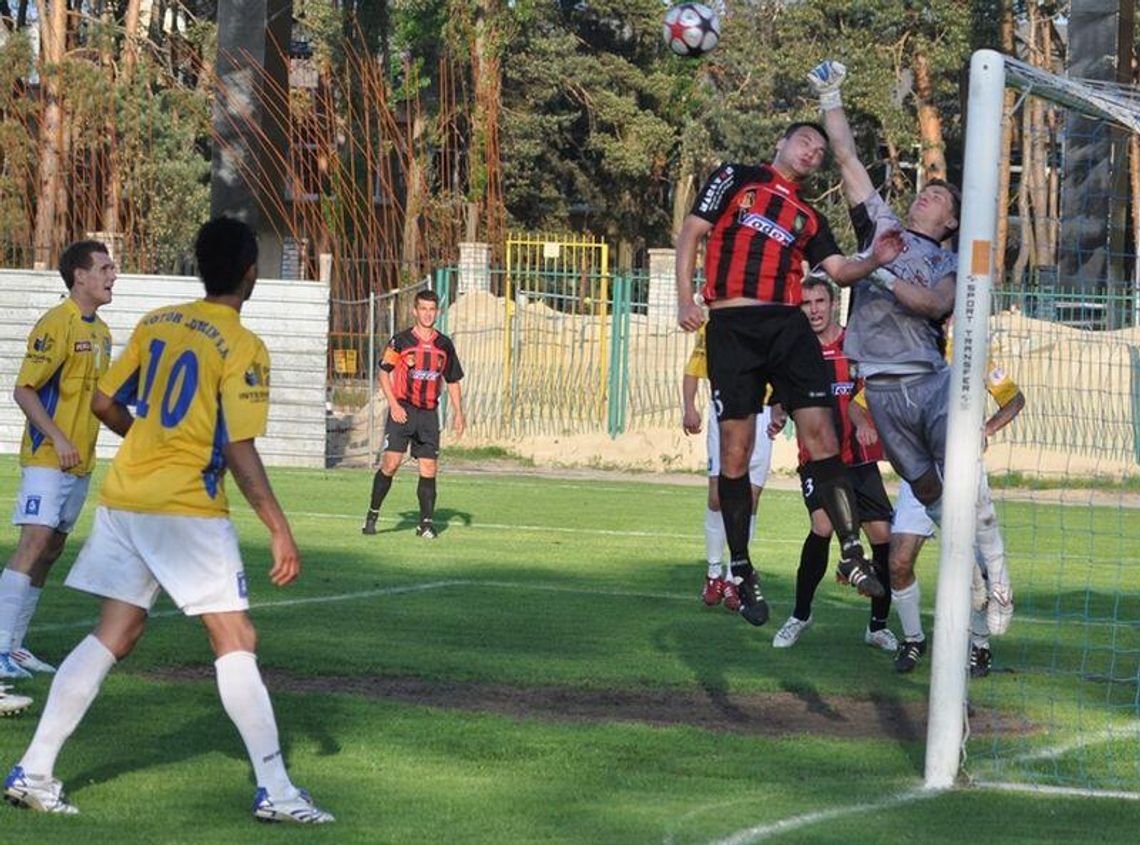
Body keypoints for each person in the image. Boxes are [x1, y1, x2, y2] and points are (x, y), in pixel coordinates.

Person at [3, 218, 334, 823]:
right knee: (236, 639)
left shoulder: (158, 321)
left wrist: (146, 438)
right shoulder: (242, 344)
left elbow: (104, 400)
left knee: (116, 633)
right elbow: (238, 446)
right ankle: (278, 793)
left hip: (125, 495)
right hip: (184, 509)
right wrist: (279, 527)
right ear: (250, 273)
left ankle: (35, 770)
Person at [808, 59, 1006, 673]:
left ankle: (996, 578)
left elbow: (933, 304)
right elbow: (845, 159)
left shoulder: (952, 268)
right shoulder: (883, 224)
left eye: (940, 198)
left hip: (931, 382)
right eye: (925, 189)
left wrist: (880, 270)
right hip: (884, 393)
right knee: (927, 495)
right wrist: (831, 94)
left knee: (962, 477)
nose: (927, 196)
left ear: (951, 222)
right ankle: (970, 582)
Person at [675, 120, 904, 627]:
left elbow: (840, 270)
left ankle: (850, 550)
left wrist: (876, 259)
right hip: (732, 325)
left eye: (822, 151)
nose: (813, 152)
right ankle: (740, 567)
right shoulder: (737, 177)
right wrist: (684, 297)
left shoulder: (809, 216)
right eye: (805, 141)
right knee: (734, 452)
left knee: (824, 433)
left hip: (786, 326)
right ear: (780, 142)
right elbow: (693, 230)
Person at [0, 241, 116, 682]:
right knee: (33, 544)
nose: (112, 276)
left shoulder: (102, 332)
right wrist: (58, 437)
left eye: (112, 268)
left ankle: (14, 646)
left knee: (51, 550)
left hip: (79, 462)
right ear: (79, 276)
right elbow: (24, 389)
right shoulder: (56, 324)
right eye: (104, 268)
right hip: (48, 459)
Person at [769, 276, 896, 652]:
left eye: (819, 301)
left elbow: (876, 386)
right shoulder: (796, 352)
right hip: (819, 461)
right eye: (806, 303)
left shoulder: (856, 347)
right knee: (822, 525)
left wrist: (870, 423)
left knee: (883, 539)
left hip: (859, 461)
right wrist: (777, 414)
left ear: (833, 304)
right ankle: (801, 614)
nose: (813, 310)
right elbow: (781, 396)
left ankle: (877, 625)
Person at [888, 342, 1025, 676]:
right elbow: (862, 405)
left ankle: (979, 646)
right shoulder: (905, 351)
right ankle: (913, 639)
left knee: (977, 564)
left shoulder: (973, 351)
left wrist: (988, 428)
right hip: (920, 473)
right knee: (898, 561)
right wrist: (867, 421)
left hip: (964, 471)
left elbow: (1015, 398)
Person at [681, 319, 773, 610]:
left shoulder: (771, 322)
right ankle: (713, 573)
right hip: (725, 408)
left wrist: (782, 408)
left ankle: (735, 577)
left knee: (751, 498)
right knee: (717, 495)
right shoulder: (711, 326)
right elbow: (693, 368)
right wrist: (690, 406)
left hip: (763, 411)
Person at [362, 289, 465, 539]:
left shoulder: (444, 344)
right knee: (391, 464)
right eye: (423, 309)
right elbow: (383, 372)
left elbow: (452, 380)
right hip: (403, 411)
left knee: (429, 468)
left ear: (436, 312)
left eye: (432, 309)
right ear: (415, 311)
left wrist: (459, 413)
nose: (428, 314)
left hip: (429, 414)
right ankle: (372, 515)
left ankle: (425, 524)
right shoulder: (400, 341)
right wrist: (394, 404)